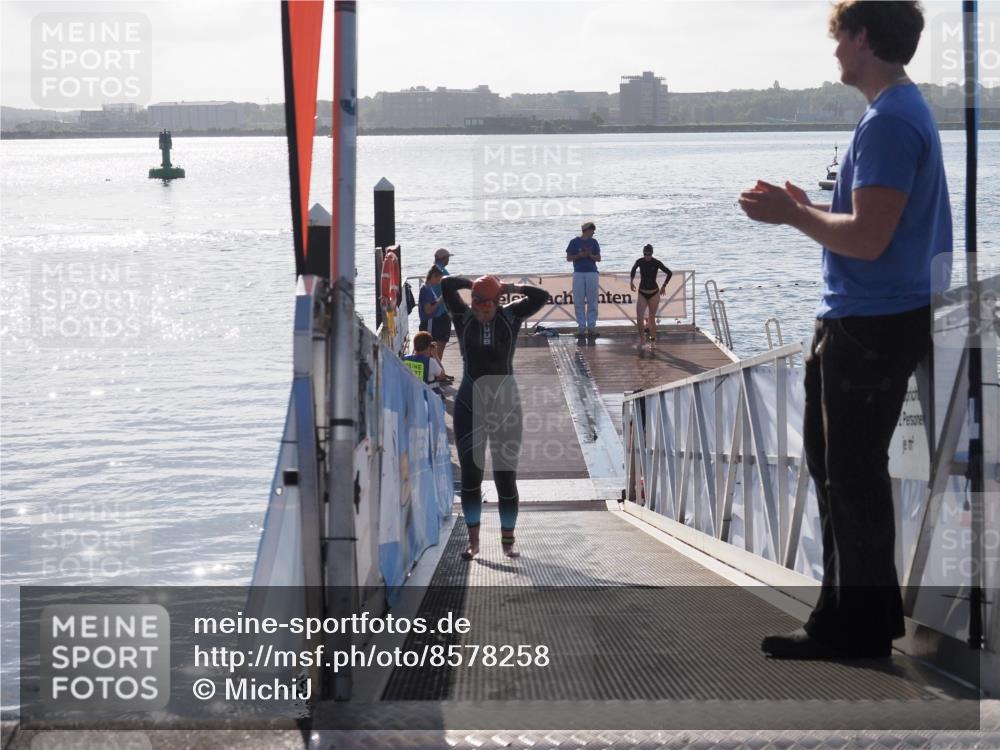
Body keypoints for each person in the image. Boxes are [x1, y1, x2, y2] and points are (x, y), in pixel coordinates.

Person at [738, 0, 951, 659]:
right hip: (873, 318)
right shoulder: (896, 114)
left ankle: (852, 629)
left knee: (850, 477)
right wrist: (808, 208)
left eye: (838, 39)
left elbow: (866, 238)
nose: (833, 52)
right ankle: (853, 619)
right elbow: (871, 225)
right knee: (841, 472)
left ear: (862, 37)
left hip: (870, 325)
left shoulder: (889, 122)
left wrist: (789, 217)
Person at [441, 274, 549, 560]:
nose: (484, 309)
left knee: (505, 478)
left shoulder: (510, 316)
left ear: (498, 302)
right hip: (470, 404)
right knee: (471, 477)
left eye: (490, 303)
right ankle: (473, 542)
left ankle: (507, 540)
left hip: (505, 405)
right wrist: (474, 284)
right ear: (473, 302)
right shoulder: (462, 317)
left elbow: (541, 297)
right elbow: (447, 285)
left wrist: (509, 288)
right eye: (479, 303)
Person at [629, 244, 673, 348]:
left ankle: (652, 341)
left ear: (652, 254)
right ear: (643, 253)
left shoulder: (656, 262)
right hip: (642, 292)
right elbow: (633, 270)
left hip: (654, 293)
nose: (647, 256)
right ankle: (642, 340)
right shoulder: (639, 261)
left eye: (649, 254)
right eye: (645, 254)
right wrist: (631, 281)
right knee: (639, 317)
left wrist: (664, 286)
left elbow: (669, 273)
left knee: (651, 317)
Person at [566, 221, 601, 337]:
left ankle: (591, 327)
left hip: (592, 273)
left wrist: (590, 255)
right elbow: (569, 258)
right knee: (578, 301)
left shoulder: (594, 242)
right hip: (578, 273)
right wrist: (580, 256)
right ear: (586, 230)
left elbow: (599, 258)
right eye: (592, 230)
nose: (593, 232)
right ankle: (581, 328)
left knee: (592, 301)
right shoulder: (574, 242)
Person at [418, 266, 453, 382]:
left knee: (432, 347)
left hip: (431, 321)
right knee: (429, 347)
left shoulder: (429, 288)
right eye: (438, 279)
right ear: (433, 276)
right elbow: (428, 310)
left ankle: (438, 373)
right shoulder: (427, 290)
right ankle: (434, 375)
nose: (439, 282)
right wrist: (440, 301)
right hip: (429, 321)